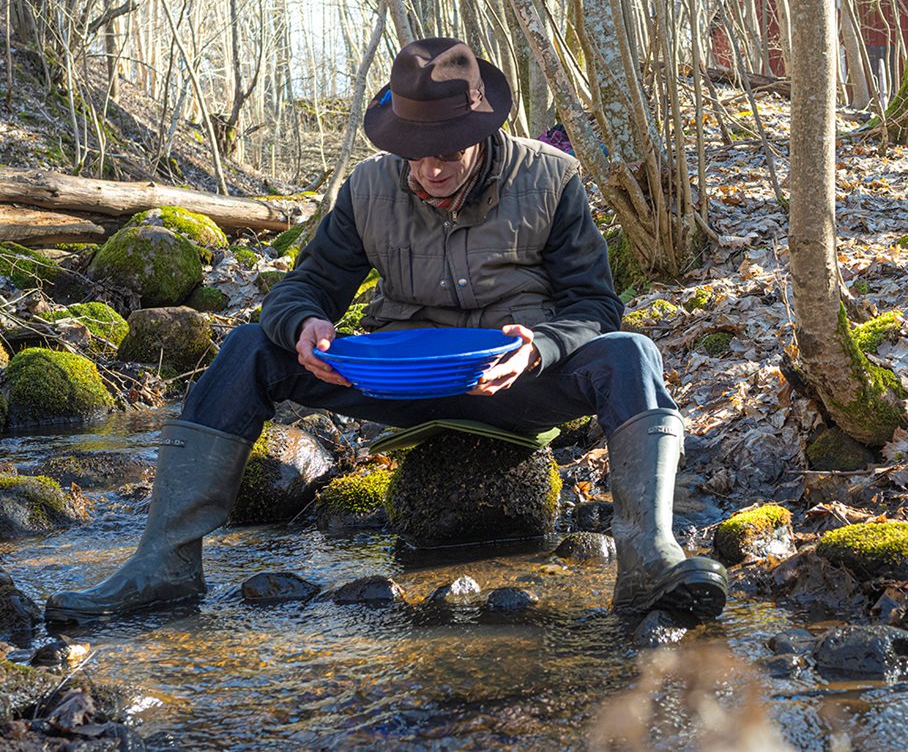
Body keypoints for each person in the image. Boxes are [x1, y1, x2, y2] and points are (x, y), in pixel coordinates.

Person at [45, 37, 727, 624]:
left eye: (447, 152)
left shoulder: (551, 179)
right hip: (392, 384)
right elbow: (304, 287)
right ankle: (164, 564)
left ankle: (649, 561)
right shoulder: (368, 188)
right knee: (251, 344)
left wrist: (541, 348)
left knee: (632, 352)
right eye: (415, 152)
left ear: (483, 130)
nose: (430, 168)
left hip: (517, 384)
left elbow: (594, 308)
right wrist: (304, 323)